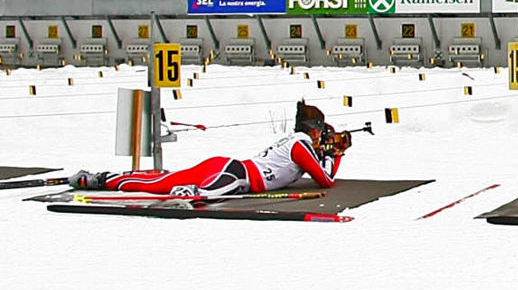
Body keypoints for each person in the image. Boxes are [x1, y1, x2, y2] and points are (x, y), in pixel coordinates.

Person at [67, 101, 349, 196]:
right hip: (237, 175)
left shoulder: (297, 142)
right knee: (183, 191)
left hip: (228, 166)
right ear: (313, 128)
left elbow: (320, 169)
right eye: (320, 131)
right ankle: (100, 180)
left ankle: (100, 179)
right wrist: (336, 155)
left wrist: (329, 153)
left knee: (160, 183)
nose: (321, 137)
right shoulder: (301, 145)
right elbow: (325, 180)